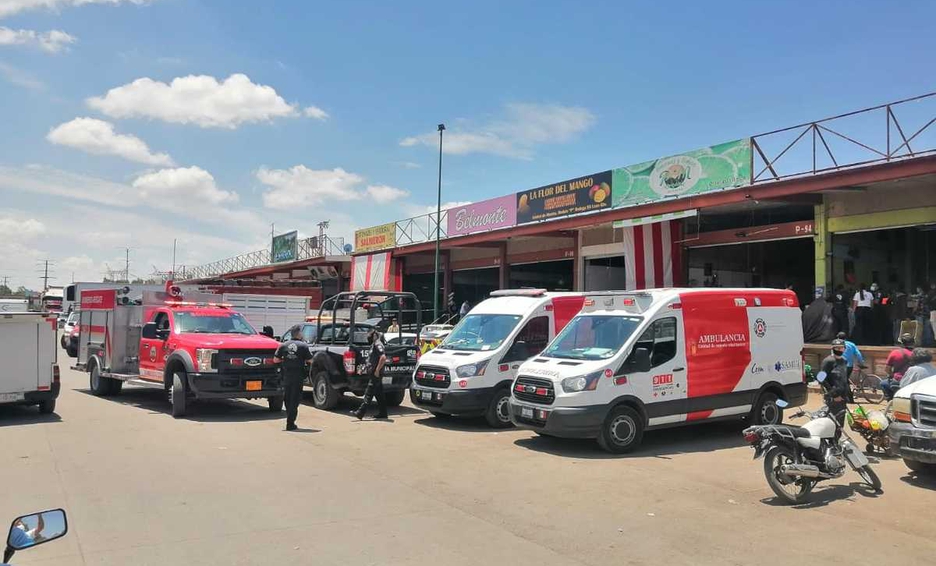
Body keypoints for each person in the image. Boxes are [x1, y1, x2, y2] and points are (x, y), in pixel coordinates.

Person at [273, 325, 313, 431]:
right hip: (298, 376)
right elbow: (311, 360)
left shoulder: (283, 345)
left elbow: (275, 360)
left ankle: (289, 419)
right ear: (299, 334)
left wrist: (286, 360)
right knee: (295, 399)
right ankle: (290, 423)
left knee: (287, 398)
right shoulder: (303, 346)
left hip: (286, 375)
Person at [354, 329, 388, 420]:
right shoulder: (373, 345)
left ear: (374, 335)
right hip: (373, 372)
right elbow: (370, 360)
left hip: (376, 374)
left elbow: (383, 357)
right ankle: (383, 413)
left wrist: (377, 370)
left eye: (369, 335)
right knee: (379, 394)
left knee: (368, 394)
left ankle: (360, 412)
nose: (368, 337)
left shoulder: (378, 344)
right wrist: (363, 369)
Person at [820, 339, 851, 432]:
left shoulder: (844, 361)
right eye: (837, 348)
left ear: (844, 349)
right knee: (831, 424)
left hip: (842, 398)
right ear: (832, 349)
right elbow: (821, 378)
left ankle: (837, 444)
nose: (839, 350)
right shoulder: (828, 361)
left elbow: (844, 378)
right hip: (832, 398)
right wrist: (834, 395)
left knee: (840, 426)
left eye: (841, 348)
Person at [881, 333, 914, 400]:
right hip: (912, 381)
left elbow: (887, 369)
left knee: (883, 383)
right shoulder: (916, 354)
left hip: (898, 381)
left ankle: (890, 400)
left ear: (901, 343)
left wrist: (892, 375)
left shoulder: (895, 353)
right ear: (913, 343)